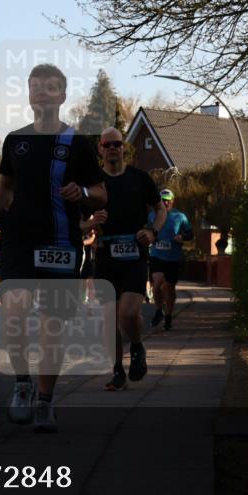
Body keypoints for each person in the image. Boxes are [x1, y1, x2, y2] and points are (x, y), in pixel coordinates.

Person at [0, 64, 106, 432]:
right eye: (35, 86)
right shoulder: (14, 140)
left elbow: (101, 193)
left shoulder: (77, 143)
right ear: (29, 93)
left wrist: (82, 193)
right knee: (17, 313)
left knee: (53, 327)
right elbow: (6, 184)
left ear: (62, 96)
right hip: (20, 238)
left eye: (49, 87)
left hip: (60, 242)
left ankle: (46, 401)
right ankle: (22, 385)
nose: (41, 92)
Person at [81, 128, 166, 390]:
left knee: (128, 313)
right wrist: (91, 222)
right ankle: (118, 371)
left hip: (135, 254)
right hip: (106, 255)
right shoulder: (93, 183)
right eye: (107, 144)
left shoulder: (140, 178)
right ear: (101, 149)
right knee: (109, 320)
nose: (113, 148)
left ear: (123, 147)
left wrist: (152, 232)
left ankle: (138, 348)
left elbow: (159, 208)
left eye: (117, 143)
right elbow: (79, 223)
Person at [149, 188, 193, 331]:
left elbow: (190, 234)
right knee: (156, 284)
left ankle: (168, 316)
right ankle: (158, 310)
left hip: (173, 258)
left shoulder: (180, 217)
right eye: (163, 200)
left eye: (168, 200)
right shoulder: (152, 215)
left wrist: (182, 237)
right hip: (156, 255)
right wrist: (149, 236)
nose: (166, 202)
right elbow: (146, 229)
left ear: (173, 201)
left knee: (169, 289)